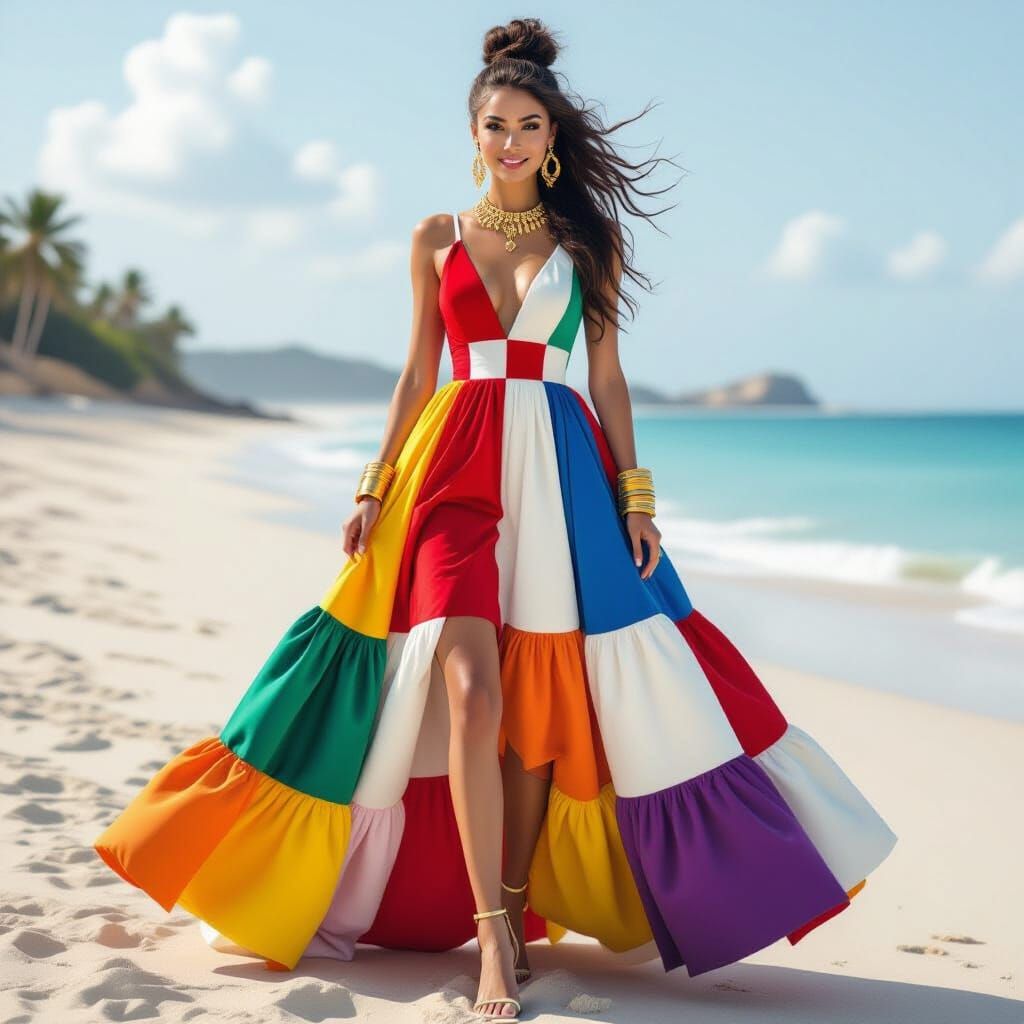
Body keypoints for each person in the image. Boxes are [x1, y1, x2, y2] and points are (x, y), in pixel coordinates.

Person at [93, 17, 897, 1024]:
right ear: (470, 133)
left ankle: (516, 913)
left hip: (562, 477)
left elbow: (604, 377)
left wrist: (634, 498)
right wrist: (375, 483)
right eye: (494, 125)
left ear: (550, 135)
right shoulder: (436, 239)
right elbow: (418, 369)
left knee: (537, 716)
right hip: (455, 470)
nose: (510, 141)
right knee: (468, 691)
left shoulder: (585, 242)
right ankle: (486, 938)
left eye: (527, 124)